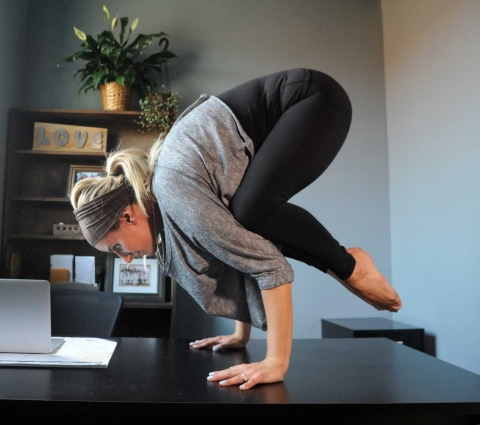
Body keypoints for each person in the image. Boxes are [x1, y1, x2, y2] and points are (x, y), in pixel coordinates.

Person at [70, 68, 402, 390]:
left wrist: (275, 362)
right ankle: (346, 263)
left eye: (116, 247)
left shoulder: (173, 194)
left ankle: (350, 265)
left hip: (314, 99)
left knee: (251, 214)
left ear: (127, 217)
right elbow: (234, 252)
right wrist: (240, 335)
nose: (125, 259)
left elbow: (270, 266)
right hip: (306, 104)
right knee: (244, 217)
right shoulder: (170, 202)